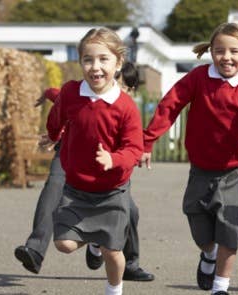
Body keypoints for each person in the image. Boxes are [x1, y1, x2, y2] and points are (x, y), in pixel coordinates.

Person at [139, 22, 238, 295]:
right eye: (219, 51)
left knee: (230, 229)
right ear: (211, 52)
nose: (226, 57)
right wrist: (148, 141)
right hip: (201, 169)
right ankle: (208, 254)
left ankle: (221, 286)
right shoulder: (198, 77)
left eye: (234, 51)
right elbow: (170, 104)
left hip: (235, 170)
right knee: (199, 226)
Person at [14, 61, 154, 282]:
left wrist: (134, 153)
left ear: (130, 90)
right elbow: (59, 96)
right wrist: (47, 95)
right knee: (53, 190)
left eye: (123, 86)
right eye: (115, 81)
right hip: (72, 155)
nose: (115, 87)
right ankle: (35, 249)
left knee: (131, 212)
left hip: (107, 169)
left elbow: (133, 143)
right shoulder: (81, 93)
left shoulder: (124, 108)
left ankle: (128, 262)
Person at [43, 27, 144, 295]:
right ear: (81, 62)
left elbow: (134, 148)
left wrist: (115, 158)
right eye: (88, 60)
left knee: (113, 250)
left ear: (118, 63)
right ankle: (93, 243)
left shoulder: (125, 107)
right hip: (76, 188)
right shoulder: (71, 93)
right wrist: (53, 135)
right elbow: (57, 116)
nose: (95, 67)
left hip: (112, 191)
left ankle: (114, 289)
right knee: (63, 244)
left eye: (103, 59)